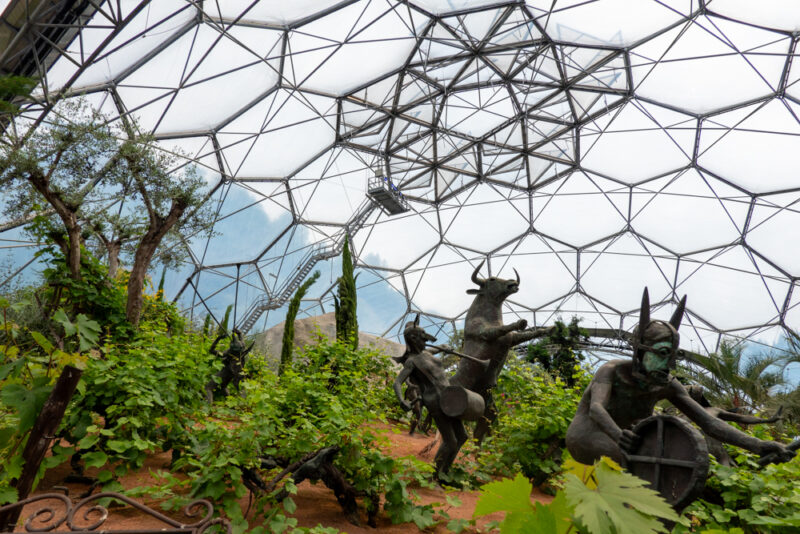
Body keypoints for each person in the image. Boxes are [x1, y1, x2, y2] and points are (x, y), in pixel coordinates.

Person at [566, 288, 794, 467]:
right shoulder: (612, 371)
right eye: (663, 354)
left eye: (672, 356)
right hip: (587, 435)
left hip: (628, 440)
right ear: (641, 350)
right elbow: (597, 409)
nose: (669, 365)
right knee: (644, 460)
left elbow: (709, 422)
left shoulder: (666, 385)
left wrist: (758, 445)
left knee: (670, 459)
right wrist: (619, 436)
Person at [393, 315, 467, 483]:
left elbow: (436, 349)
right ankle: (435, 477)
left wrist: (444, 348)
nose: (426, 340)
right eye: (422, 337)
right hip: (436, 401)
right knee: (451, 441)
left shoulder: (427, 353)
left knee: (462, 437)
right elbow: (397, 382)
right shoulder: (411, 361)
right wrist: (401, 400)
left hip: (449, 397)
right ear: (413, 338)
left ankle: (444, 473)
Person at [685, 385, 783, 466]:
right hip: (692, 451)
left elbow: (741, 418)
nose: (695, 393)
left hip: (718, 451)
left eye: (697, 392)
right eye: (691, 392)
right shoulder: (680, 416)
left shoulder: (712, 410)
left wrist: (767, 420)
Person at [205, 328, 255, 402]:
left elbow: (211, 350)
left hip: (226, 372)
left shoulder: (226, 354)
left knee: (208, 388)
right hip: (238, 373)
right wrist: (239, 333)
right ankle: (233, 403)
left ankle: (209, 406)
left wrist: (218, 338)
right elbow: (241, 341)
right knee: (225, 387)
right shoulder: (242, 351)